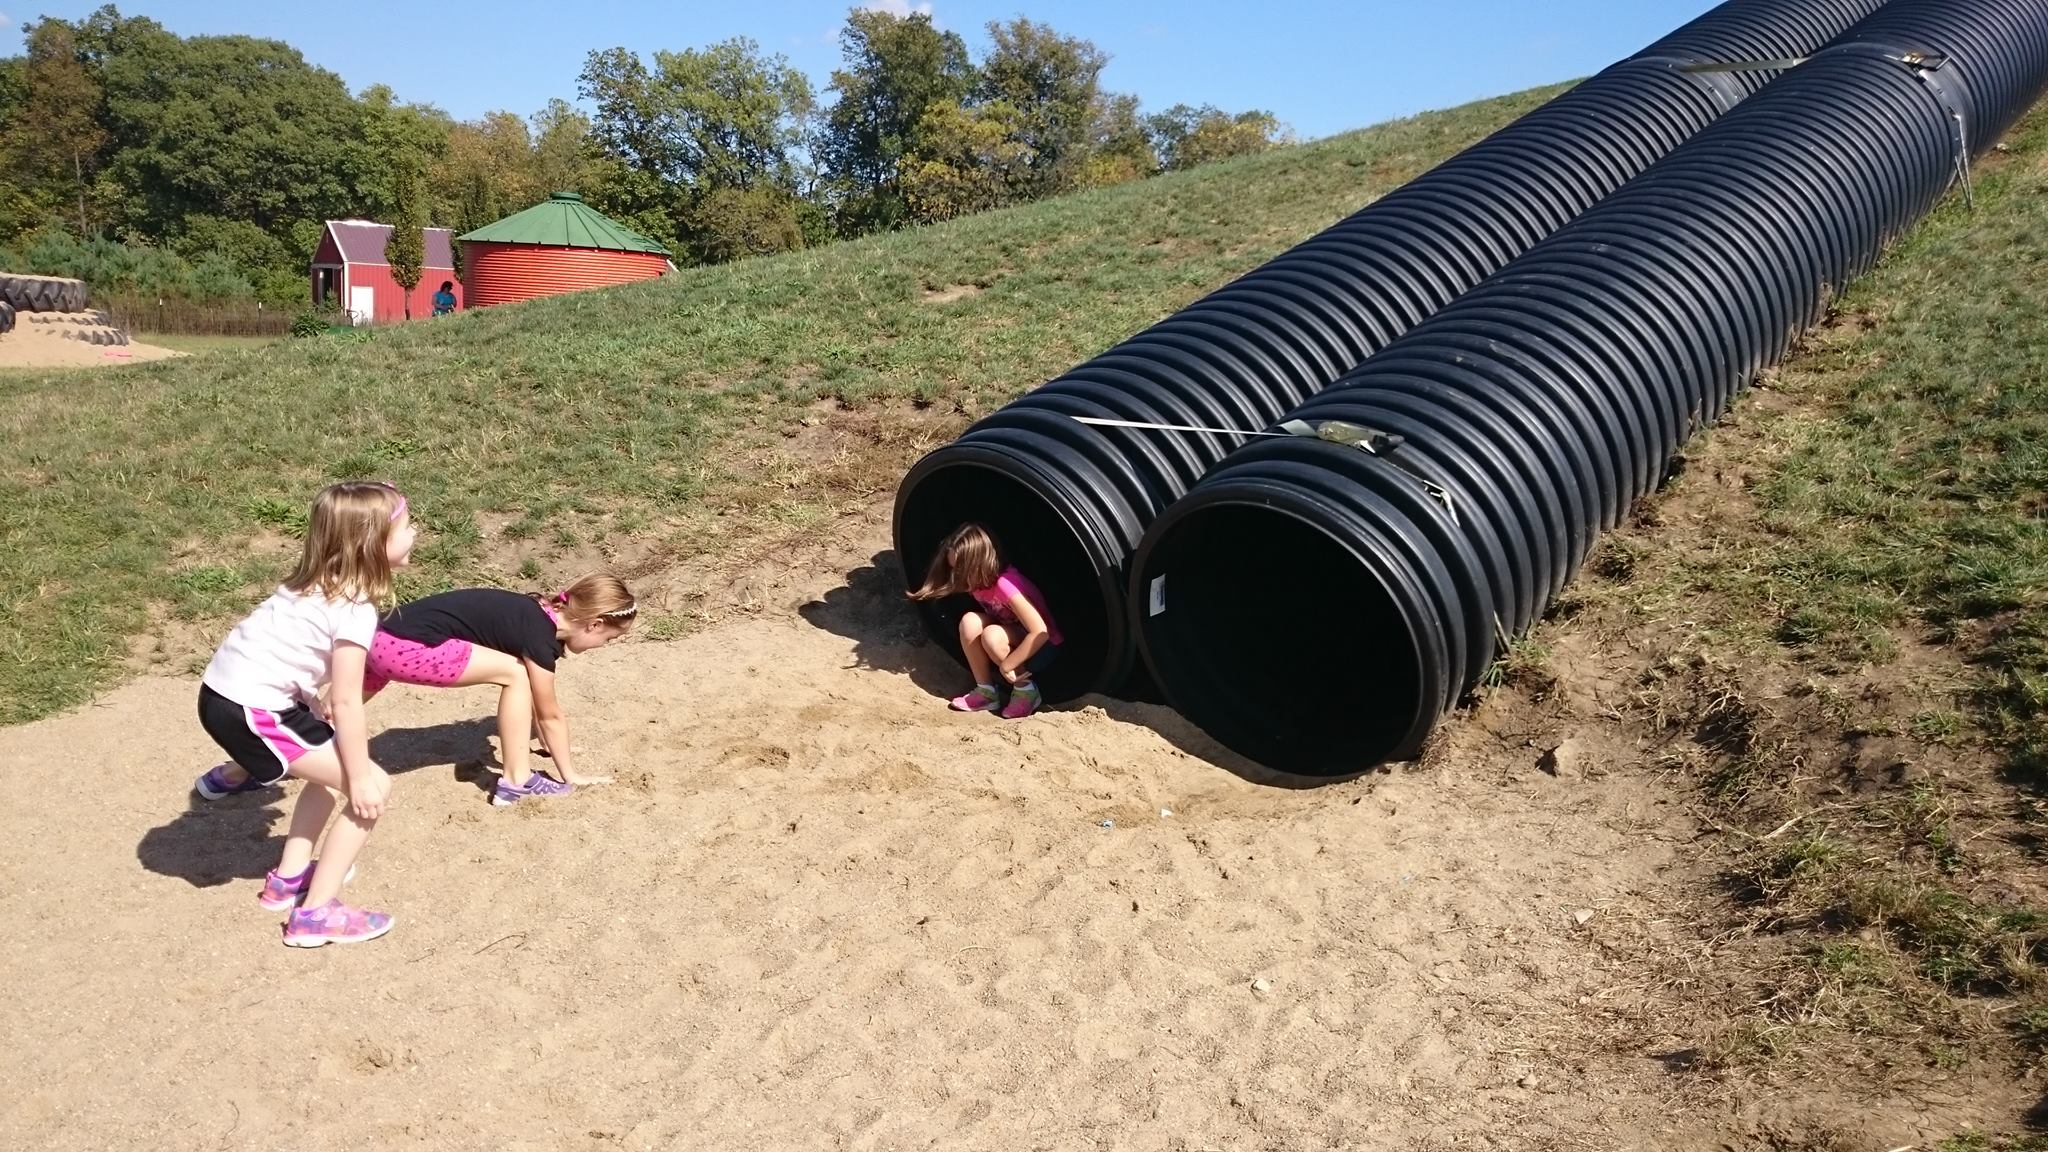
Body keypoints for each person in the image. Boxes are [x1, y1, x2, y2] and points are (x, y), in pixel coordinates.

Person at [192, 481, 416, 947]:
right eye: (406, 526)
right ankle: (315, 916)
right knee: (372, 786)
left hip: (229, 697)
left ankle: (288, 880)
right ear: (373, 544)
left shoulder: (310, 586)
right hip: (251, 711)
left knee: (326, 772)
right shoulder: (355, 609)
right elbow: (349, 701)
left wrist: (309, 702)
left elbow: (284, 653)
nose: (414, 534)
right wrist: (359, 775)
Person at [365, 574, 637, 806]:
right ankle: (517, 780)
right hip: (408, 649)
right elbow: (549, 715)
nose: (604, 645)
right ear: (595, 624)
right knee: (516, 674)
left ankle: (323, 739)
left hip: (376, 637)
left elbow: (537, 701)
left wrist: (547, 745)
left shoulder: (533, 614)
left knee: (337, 708)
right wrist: (571, 775)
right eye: (609, 639)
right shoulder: (540, 639)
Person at [909, 523, 1062, 719]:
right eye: (953, 569)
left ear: (979, 564)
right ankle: (986, 691)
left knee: (991, 636)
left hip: (1043, 649)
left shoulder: (1005, 585)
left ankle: (1026, 691)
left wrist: (1007, 665)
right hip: (1015, 634)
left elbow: (1041, 632)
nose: (956, 577)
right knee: (969, 621)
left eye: (961, 571)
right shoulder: (978, 583)